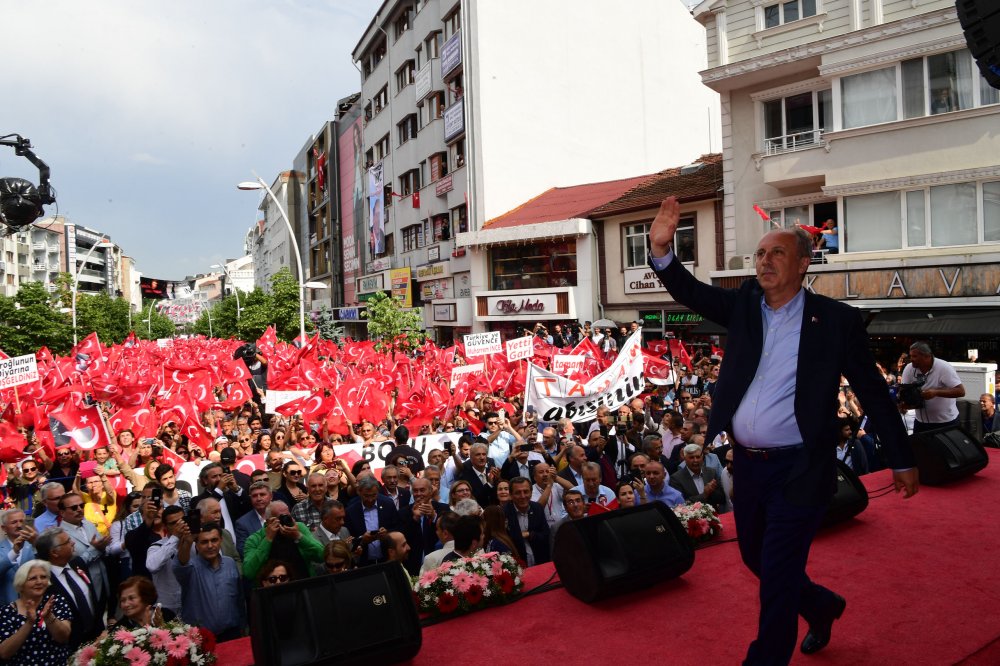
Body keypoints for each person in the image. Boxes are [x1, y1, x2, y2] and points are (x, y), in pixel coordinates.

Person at [648, 195, 917, 663]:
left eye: (777, 253)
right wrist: (662, 252)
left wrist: (903, 458)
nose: (764, 261)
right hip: (749, 467)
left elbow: (873, 393)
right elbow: (691, 293)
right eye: (759, 254)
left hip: (801, 468)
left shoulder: (836, 321)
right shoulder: (745, 305)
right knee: (755, 557)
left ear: (803, 264)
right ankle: (820, 605)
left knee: (776, 572)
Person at [174, 521, 245, 642]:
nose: (210, 545)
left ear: (221, 540)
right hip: (201, 640)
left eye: (214, 540)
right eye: (204, 542)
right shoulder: (190, 568)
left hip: (232, 634)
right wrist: (187, 542)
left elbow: (239, 599)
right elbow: (180, 564)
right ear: (196, 545)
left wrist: (243, 627)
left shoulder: (230, 563)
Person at [35, 527, 104, 650]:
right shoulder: (44, 582)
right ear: (54, 552)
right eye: (67, 542)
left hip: (97, 637)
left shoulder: (77, 565)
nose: (73, 543)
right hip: (71, 646)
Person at [0, 560, 71, 664]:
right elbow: (4, 653)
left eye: (43, 577)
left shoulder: (55, 602)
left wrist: (49, 617)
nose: (39, 582)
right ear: (21, 584)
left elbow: (63, 637)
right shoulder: (6, 612)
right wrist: (29, 623)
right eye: (33, 578)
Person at [242, 501, 324, 583]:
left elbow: (322, 555)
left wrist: (298, 536)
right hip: (272, 590)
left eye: (287, 516)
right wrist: (268, 539)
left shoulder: (299, 528)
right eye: (280, 518)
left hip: (303, 584)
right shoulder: (255, 539)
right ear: (268, 521)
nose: (285, 520)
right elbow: (249, 573)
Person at [899, 341, 966, 433]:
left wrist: (936, 392)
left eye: (915, 356)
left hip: (945, 422)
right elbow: (904, 390)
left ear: (927, 356)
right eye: (910, 356)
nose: (911, 359)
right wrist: (905, 403)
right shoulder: (909, 368)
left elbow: (961, 391)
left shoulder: (944, 367)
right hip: (921, 422)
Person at [344, 476, 401, 566]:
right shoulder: (351, 510)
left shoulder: (388, 504)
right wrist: (362, 539)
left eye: (374, 495)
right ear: (359, 492)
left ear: (378, 492)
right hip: (363, 563)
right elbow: (348, 538)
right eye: (366, 496)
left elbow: (398, 528)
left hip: (386, 560)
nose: (370, 500)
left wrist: (387, 534)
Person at [144, 505, 186, 615]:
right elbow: (152, 566)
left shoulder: (196, 543)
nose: (179, 526)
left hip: (190, 605)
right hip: (166, 608)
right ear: (165, 526)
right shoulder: (156, 547)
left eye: (181, 521)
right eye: (173, 523)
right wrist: (175, 538)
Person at [503, 477, 550, 566]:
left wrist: (529, 534)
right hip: (516, 565)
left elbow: (546, 534)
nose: (523, 496)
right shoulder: (504, 513)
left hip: (540, 562)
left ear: (531, 492)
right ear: (511, 495)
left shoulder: (537, 508)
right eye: (518, 493)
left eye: (526, 491)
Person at [669, 444, 728, 512]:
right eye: (691, 457)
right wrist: (704, 494)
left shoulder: (711, 472)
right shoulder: (676, 479)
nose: (695, 460)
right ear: (685, 459)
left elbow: (722, 499)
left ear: (702, 457)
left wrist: (712, 491)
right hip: (691, 519)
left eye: (698, 457)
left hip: (714, 516)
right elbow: (681, 505)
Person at [0, 511, 36, 606]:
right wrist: (14, 552)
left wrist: (36, 544)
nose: (19, 525)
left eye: (21, 521)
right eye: (14, 522)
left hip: (34, 602)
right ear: (3, 528)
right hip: (8, 605)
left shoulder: (33, 545)